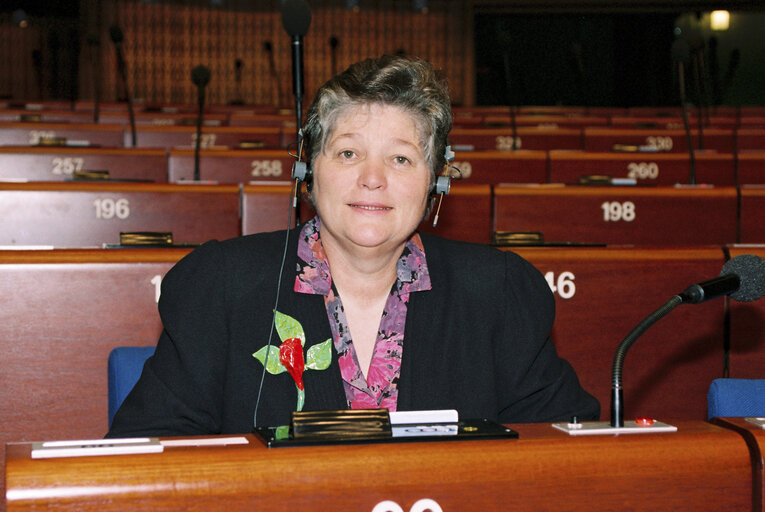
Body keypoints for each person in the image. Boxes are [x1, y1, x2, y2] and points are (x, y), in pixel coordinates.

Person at [106, 55, 598, 438]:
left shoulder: (499, 292)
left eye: (401, 159)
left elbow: (569, 453)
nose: (373, 179)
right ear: (307, 171)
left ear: (435, 183)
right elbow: (148, 459)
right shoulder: (220, 285)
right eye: (348, 152)